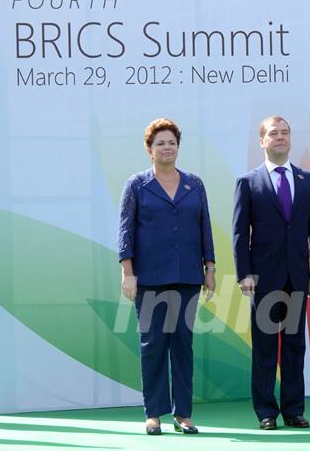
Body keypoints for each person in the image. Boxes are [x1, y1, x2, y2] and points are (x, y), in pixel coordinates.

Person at [117, 118, 216, 435]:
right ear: (149, 149)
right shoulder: (136, 185)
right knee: (153, 344)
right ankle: (154, 413)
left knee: (182, 345)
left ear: (178, 147)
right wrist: (127, 273)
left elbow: (205, 228)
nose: (167, 147)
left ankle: (183, 414)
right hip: (149, 278)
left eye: (171, 142)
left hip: (187, 276)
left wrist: (209, 269)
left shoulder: (194, 184)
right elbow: (125, 232)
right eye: (160, 142)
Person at [232, 115, 310, 430]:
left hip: (298, 276)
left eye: (285, 132)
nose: (281, 137)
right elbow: (239, 234)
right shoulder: (248, 182)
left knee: (295, 345)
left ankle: (294, 410)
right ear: (262, 141)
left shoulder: (309, 181)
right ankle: (266, 413)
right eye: (274, 133)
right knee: (264, 348)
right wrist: (244, 273)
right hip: (263, 278)